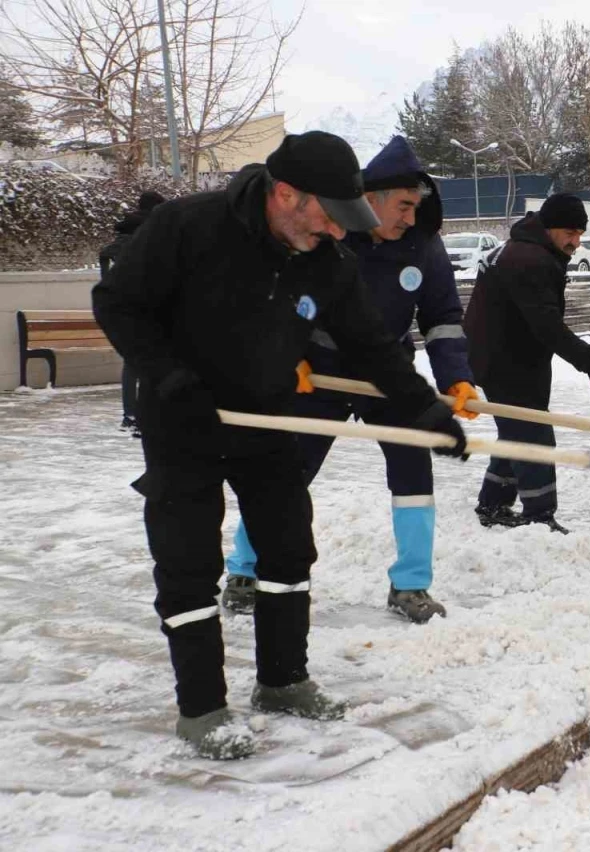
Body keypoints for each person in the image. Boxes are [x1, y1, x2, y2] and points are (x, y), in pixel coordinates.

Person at [92, 131, 469, 760]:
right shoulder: (190, 227)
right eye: (327, 216)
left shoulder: (325, 259)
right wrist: (169, 375)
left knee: (289, 546)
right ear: (285, 193)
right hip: (183, 418)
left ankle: (283, 681)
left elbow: (369, 344)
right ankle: (203, 708)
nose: (336, 233)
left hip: (266, 416)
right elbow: (119, 304)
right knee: (187, 561)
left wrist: (423, 408)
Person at [220, 135, 476, 625]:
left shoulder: (424, 245)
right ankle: (245, 570)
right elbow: (295, 299)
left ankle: (410, 585)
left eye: (416, 207)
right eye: (403, 205)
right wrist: (289, 354)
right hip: (321, 372)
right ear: (371, 199)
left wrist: (456, 379)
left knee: (414, 476)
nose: (410, 217)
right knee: (286, 474)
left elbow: (442, 317)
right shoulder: (333, 233)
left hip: (389, 375)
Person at [463, 193, 590, 533]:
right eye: (570, 233)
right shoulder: (530, 260)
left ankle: (493, 503)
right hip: (506, 357)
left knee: (516, 428)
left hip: (505, 352)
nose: (576, 242)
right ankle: (539, 516)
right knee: (533, 433)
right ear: (549, 228)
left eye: (580, 233)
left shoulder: (523, 248)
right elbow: (547, 326)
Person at [99, 190, 166, 437]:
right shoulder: (150, 234)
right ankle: (147, 415)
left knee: (132, 364)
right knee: (155, 362)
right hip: (150, 308)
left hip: (125, 309)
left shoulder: (119, 240)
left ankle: (130, 414)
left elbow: (105, 269)